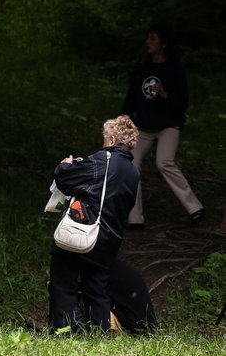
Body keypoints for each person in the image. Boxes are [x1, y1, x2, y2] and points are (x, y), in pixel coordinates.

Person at [48, 116, 140, 333]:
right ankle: (100, 337)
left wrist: (66, 165)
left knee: (62, 284)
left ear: (111, 139)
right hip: (110, 239)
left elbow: (66, 180)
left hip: (83, 231)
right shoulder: (133, 172)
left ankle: (61, 334)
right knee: (97, 291)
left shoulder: (103, 159)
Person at [122, 23, 204, 228]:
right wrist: (124, 121)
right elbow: (130, 98)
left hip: (168, 125)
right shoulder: (142, 68)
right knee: (131, 165)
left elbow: (182, 103)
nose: (148, 42)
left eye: (153, 39)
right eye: (148, 38)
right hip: (143, 127)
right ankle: (134, 218)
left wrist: (165, 95)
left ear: (164, 44)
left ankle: (195, 208)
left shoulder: (174, 70)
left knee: (164, 162)